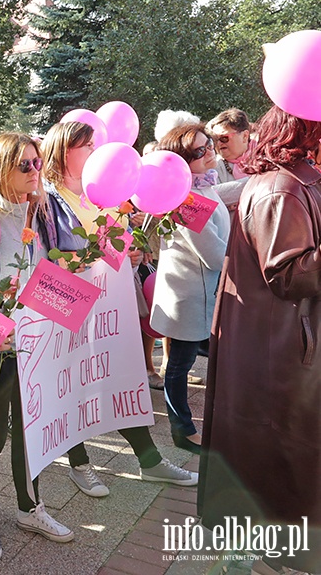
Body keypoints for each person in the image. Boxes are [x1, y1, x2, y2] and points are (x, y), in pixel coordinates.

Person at [41, 121, 199, 496]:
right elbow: (50, 255)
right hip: (69, 310)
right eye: (87, 146)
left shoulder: (104, 192)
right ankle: (80, 465)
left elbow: (117, 244)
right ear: (65, 152)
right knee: (73, 389)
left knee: (118, 382)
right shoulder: (50, 198)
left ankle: (150, 461)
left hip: (108, 308)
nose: (96, 152)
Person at [199, 107, 321, 575]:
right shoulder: (279, 188)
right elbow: (288, 274)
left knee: (276, 463)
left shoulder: (297, 181)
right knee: (270, 458)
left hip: (287, 346)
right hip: (280, 353)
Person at [0, 132, 73, 561]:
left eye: (38, 163)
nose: (36, 172)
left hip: (38, 339)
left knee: (34, 430)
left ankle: (32, 507)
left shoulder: (46, 210)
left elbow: (63, 264)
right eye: (25, 165)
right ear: (1, 168)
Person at [152, 124, 230, 454]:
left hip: (201, 294)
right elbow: (213, 255)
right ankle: (181, 429)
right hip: (189, 297)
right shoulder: (185, 200)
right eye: (200, 150)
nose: (210, 151)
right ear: (183, 160)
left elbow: (228, 195)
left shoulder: (204, 185)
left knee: (190, 362)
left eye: (208, 144)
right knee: (180, 366)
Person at [207, 108, 253, 208]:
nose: (218, 143)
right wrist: (258, 181)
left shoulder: (267, 156)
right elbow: (211, 197)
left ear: (245, 136)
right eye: (215, 139)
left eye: (224, 138)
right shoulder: (212, 165)